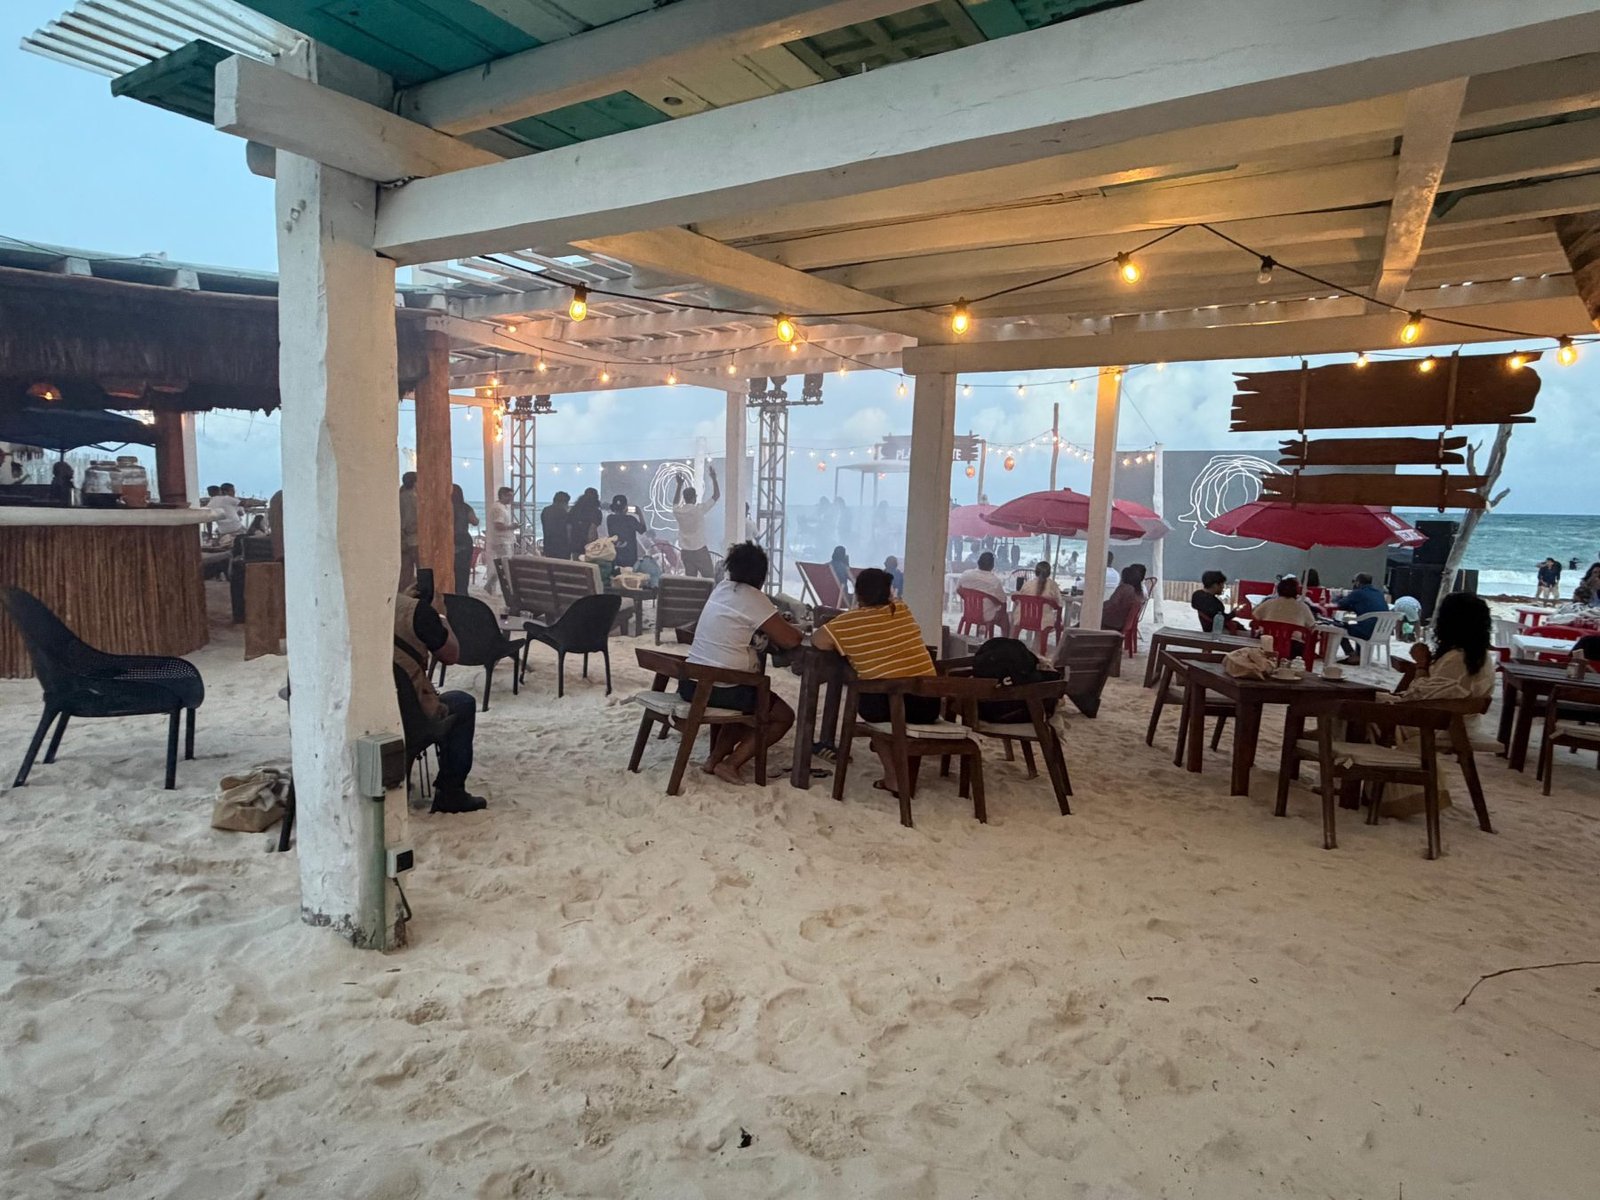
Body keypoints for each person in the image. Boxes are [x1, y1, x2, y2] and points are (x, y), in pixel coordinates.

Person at [813, 567, 939, 798]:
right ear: (889, 592)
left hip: (886, 705)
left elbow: (818, 641)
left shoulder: (849, 623)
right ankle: (901, 775)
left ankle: (894, 779)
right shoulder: (901, 609)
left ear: (858, 594)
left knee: (876, 717)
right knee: (891, 708)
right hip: (927, 705)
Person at [683, 541, 800, 785]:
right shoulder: (754, 597)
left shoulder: (721, 589)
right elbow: (790, 639)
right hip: (721, 688)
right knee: (783, 716)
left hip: (691, 684)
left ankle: (714, 759)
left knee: (747, 700)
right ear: (761, 575)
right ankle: (732, 763)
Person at [393, 583, 486, 813]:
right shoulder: (418, 613)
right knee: (463, 703)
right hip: (411, 716)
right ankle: (451, 793)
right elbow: (451, 654)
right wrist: (440, 616)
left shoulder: (350, 607)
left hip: (371, 714)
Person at [1383, 592, 1495, 704]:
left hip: (1425, 713)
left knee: (1373, 698)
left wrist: (1422, 664)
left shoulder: (1457, 658)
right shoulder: (1481, 655)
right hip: (1459, 714)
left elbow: (1419, 695)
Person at [673, 467, 720, 578]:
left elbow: (674, 503)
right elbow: (716, 496)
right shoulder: (699, 510)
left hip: (686, 552)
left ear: (684, 498)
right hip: (700, 550)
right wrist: (714, 478)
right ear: (694, 498)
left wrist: (679, 485)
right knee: (709, 578)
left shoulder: (678, 512)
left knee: (691, 581)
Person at [1251, 576, 1317, 655]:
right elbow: (1312, 626)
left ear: (1278, 589)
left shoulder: (1269, 603)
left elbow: (1255, 616)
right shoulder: (1303, 607)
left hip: (1266, 643)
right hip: (1292, 648)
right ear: (1297, 591)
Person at [1336, 572, 1389, 663]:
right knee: (1354, 619)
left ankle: (1352, 654)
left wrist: (1338, 596)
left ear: (1358, 582)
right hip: (1381, 631)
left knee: (1337, 625)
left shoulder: (1358, 593)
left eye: (1353, 581)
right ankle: (1358, 653)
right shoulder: (1379, 593)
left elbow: (1340, 604)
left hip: (1366, 631)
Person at [957, 550, 1011, 635]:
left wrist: (967, 598)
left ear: (978, 562)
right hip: (987, 615)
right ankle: (1005, 639)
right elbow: (1003, 601)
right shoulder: (994, 581)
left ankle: (981, 629)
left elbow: (958, 589)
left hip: (969, 612)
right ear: (992, 565)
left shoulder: (966, 574)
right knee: (1004, 617)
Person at [484, 486, 516, 595]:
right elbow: (498, 525)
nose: (511, 498)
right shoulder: (499, 509)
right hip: (502, 541)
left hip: (504, 540)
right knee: (506, 567)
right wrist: (511, 527)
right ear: (502, 495)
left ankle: (490, 584)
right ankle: (508, 590)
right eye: (509, 496)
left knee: (502, 566)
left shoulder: (503, 507)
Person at [606, 494, 648, 568]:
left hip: (615, 555)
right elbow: (643, 530)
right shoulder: (631, 519)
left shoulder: (609, 519)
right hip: (629, 557)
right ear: (625, 507)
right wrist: (639, 513)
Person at [450, 483, 478, 591]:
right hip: (464, 539)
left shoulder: (444, 507)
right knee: (463, 569)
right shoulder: (465, 507)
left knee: (451, 568)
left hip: (449, 540)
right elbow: (474, 521)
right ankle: (462, 590)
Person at [1101, 564, 1146, 632]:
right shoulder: (1139, 592)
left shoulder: (1124, 589)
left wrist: (1099, 607)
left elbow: (1112, 603)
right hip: (1121, 625)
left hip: (1111, 624)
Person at [397, 472, 419, 589]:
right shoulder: (414, 499)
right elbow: (412, 520)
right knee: (422, 570)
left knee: (405, 571)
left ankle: (404, 593)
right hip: (414, 539)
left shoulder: (399, 497)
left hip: (402, 539)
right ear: (415, 482)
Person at [569, 488, 603, 555]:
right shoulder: (596, 512)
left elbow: (569, 527)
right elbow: (592, 531)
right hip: (587, 545)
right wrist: (592, 547)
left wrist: (570, 542)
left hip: (574, 543)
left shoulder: (574, 510)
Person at [540, 491, 572, 560]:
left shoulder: (545, 510)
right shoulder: (563, 512)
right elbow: (568, 530)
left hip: (548, 544)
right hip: (562, 547)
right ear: (564, 502)